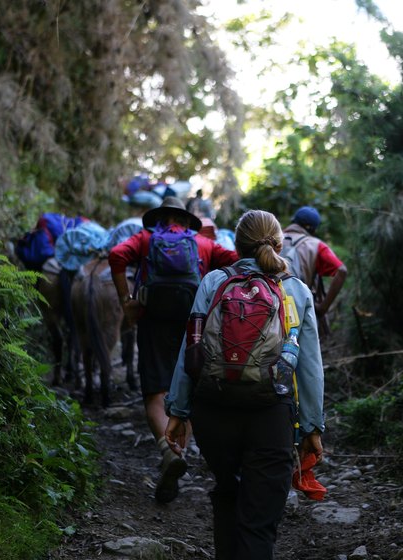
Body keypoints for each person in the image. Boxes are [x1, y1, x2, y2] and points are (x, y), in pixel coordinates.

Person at [164, 209, 325, 560]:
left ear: (236, 247)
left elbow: (189, 348)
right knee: (260, 517)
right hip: (271, 413)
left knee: (227, 490)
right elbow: (309, 366)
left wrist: (178, 410)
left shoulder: (213, 281)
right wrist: (311, 426)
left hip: (213, 410)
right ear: (279, 245)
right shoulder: (296, 290)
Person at [108, 197, 238, 504]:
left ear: (160, 218)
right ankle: (180, 448)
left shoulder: (145, 239)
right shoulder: (201, 243)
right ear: (184, 219)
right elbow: (235, 260)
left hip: (152, 321)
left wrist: (127, 301)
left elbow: (115, 256)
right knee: (188, 389)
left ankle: (166, 451)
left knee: (156, 391)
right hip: (193, 323)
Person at [283, 206, 347, 326]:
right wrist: (323, 308)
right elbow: (341, 271)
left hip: (266, 305)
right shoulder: (316, 246)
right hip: (296, 312)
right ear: (313, 229)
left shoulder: (270, 239)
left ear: (294, 221)